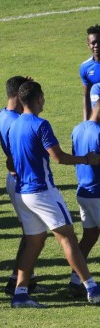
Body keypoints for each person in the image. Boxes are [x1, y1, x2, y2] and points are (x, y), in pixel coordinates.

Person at [7, 81, 100, 307]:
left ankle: (20, 293)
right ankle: (91, 287)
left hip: (22, 192)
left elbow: (10, 161)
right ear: (38, 99)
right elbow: (58, 157)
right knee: (67, 237)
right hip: (42, 191)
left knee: (34, 241)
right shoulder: (41, 125)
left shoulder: (14, 125)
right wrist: (86, 159)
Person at [0, 76, 47, 295]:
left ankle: (25, 279)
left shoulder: (3, 114)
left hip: (16, 179)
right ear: (20, 96)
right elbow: (15, 158)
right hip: (22, 180)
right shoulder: (16, 122)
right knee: (33, 234)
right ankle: (18, 282)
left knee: (30, 233)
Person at [69, 100, 100, 297]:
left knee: (89, 237)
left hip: (83, 193)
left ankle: (74, 281)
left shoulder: (78, 129)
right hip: (98, 193)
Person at [80, 24, 100, 120]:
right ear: (88, 45)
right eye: (93, 43)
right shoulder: (85, 67)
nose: (96, 46)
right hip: (96, 116)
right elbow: (86, 95)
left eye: (99, 42)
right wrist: (86, 120)